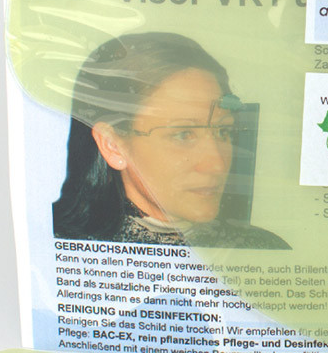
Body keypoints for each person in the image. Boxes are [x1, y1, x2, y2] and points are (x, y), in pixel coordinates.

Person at [52, 33, 289, 248]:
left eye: (223, 131)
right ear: (113, 145)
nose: (216, 164)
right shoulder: (60, 246)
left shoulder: (262, 248)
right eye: (183, 134)